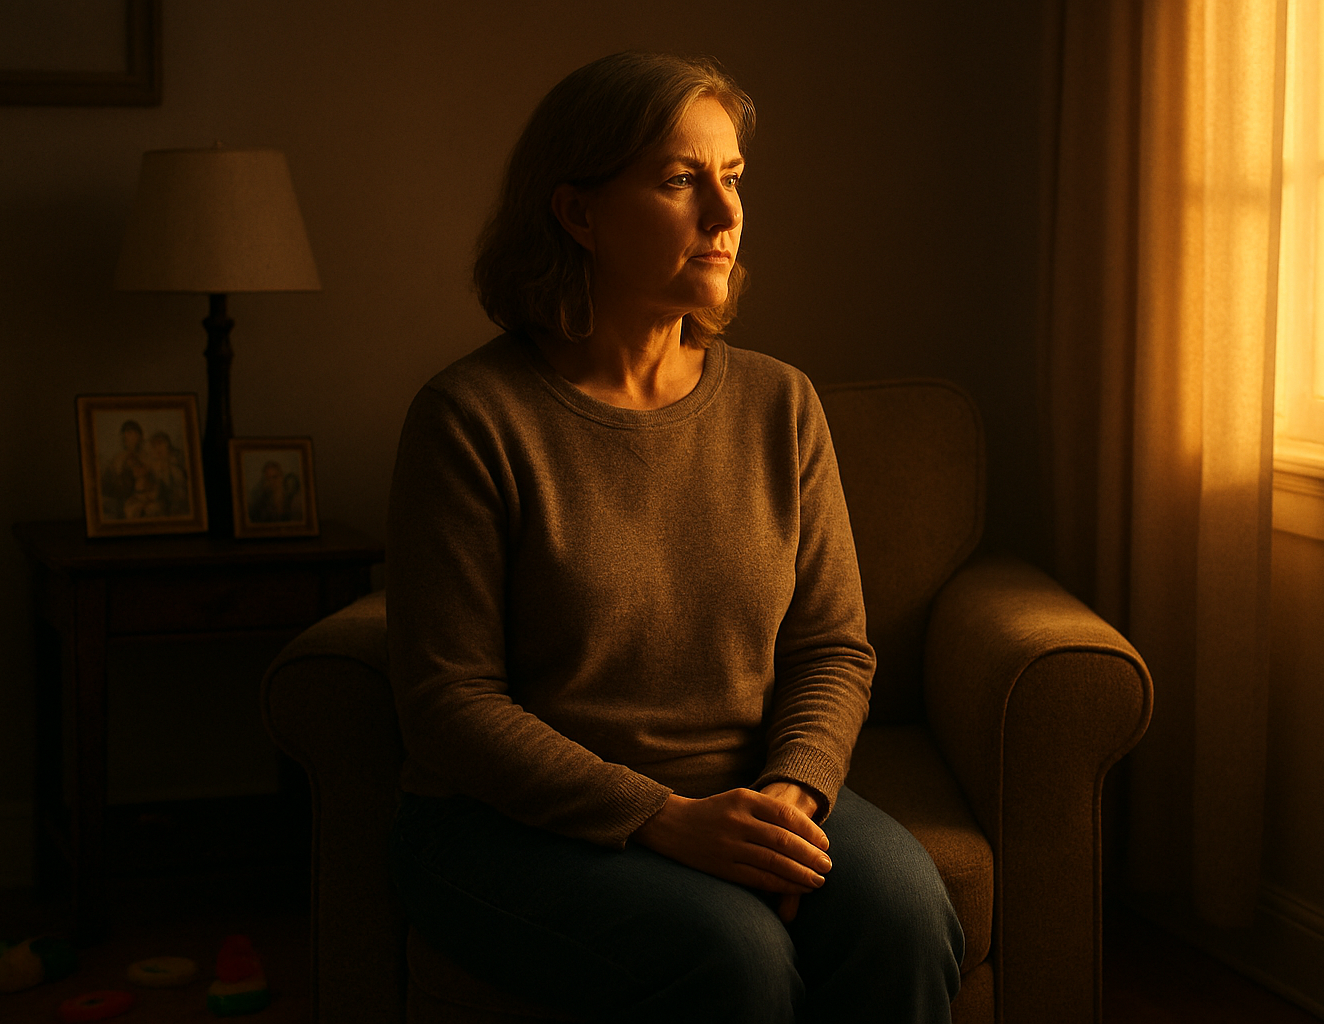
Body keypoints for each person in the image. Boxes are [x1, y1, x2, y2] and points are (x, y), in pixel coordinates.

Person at [387, 52, 963, 1023]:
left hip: (746, 787)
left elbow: (831, 646)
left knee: (906, 913)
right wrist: (663, 820)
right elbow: (451, 702)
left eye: (731, 178)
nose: (726, 214)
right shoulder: (471, 419)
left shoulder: (780, 403)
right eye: (679, 180)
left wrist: (792, 794)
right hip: (510, 826)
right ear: (577, 214)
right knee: (734, 959)